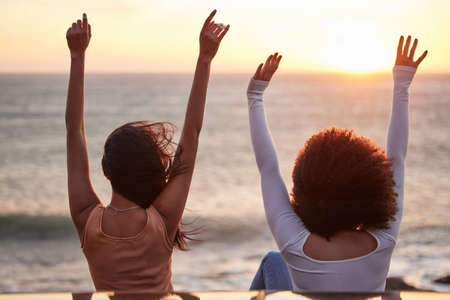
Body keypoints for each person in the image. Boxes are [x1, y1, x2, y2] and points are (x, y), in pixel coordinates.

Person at [65, 11, 229, 291]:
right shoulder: (162, 221)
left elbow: (74, 132)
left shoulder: (87, 219)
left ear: (106, 170)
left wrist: (77, 56)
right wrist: (205, 59)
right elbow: (192, 133)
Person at [247, 36, 427, 291]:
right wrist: (402, 84)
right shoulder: (384, 239)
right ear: (371, 189)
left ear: (306, 187)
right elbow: (397, 158)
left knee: (273, 261)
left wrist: (255, 96)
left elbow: (268, 167)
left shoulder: (295, 244)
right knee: (274, 260)